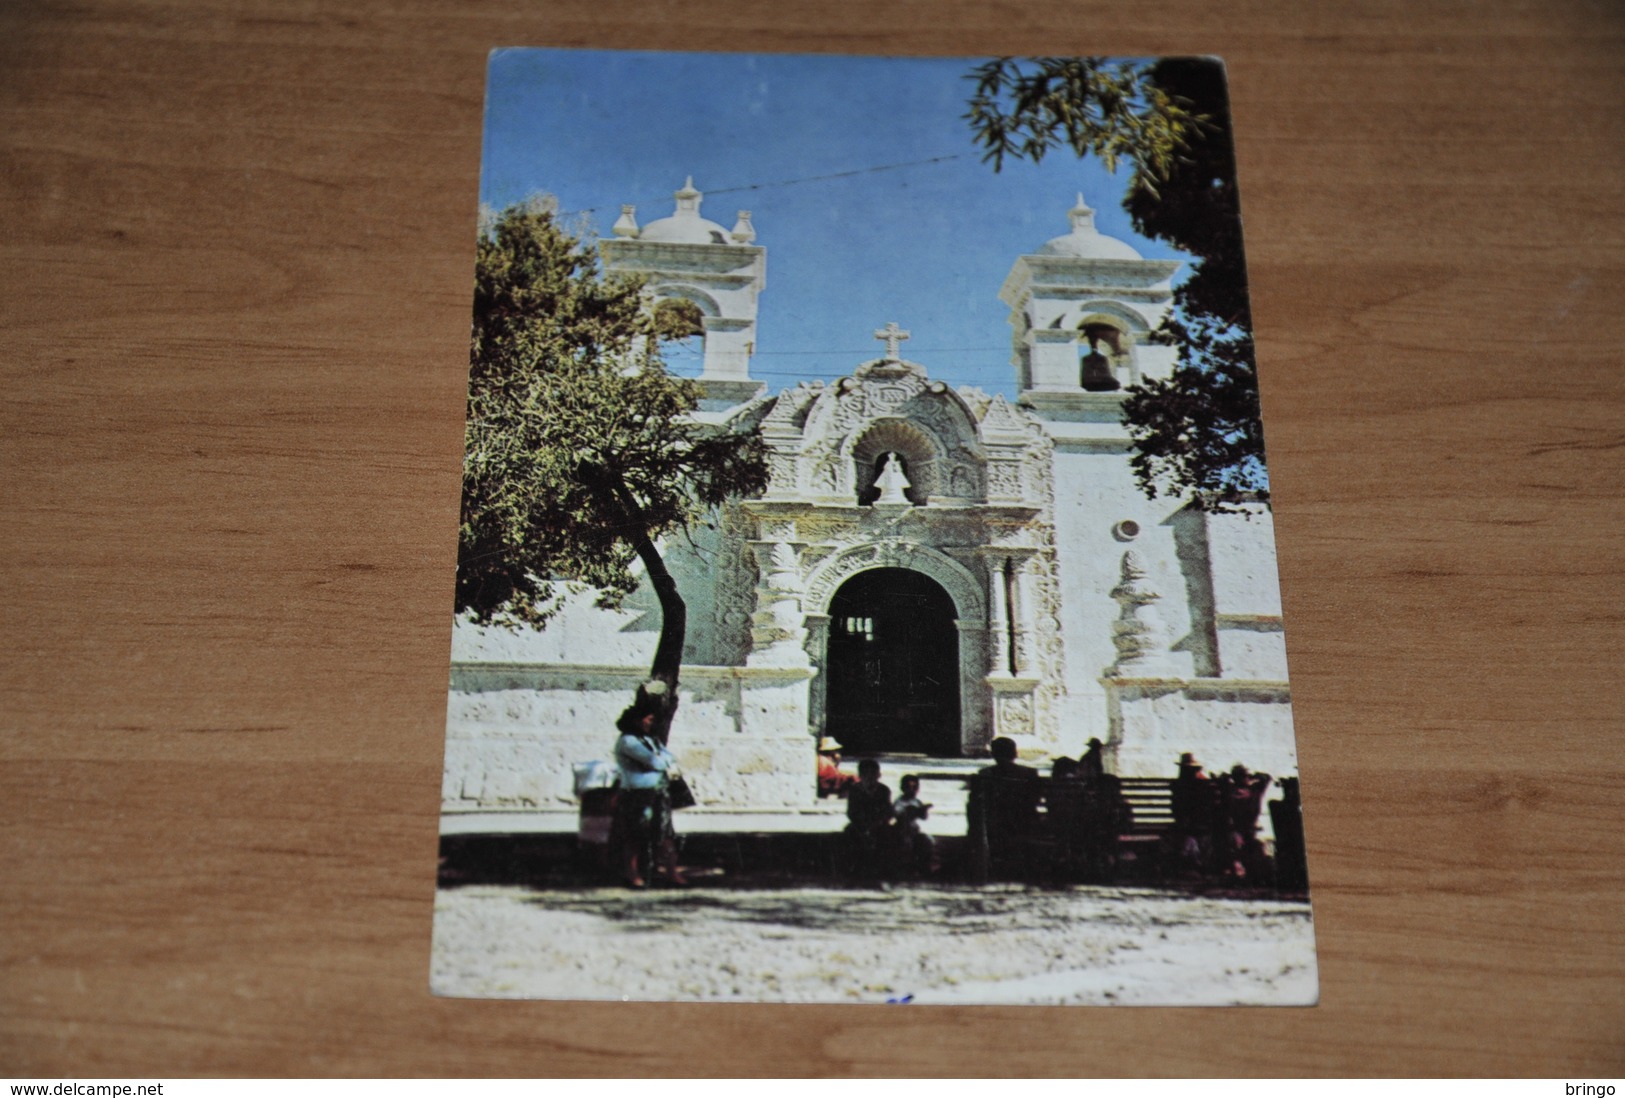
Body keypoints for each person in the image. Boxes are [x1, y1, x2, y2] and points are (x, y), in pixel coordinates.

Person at [611, 691, 685, 888]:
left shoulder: (652, 740)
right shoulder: (628, 741)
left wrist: (662, 760)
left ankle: (672, 873)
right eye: (649, 719)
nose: (651, 723)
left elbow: (669, 758)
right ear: (638, 720)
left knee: (666, 835)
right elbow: (656, 762)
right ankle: (632, 874)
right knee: (635, 835)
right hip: (637, 794)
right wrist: (661, 760)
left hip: (658, 793)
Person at [967, 736, 1042, 879]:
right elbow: (1035, 799)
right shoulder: (1030, 774)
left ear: (993, 754)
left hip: (993, 823)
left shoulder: (985, 774)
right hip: (1024, 822)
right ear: (1015, 753)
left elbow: (975, 802)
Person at [844, 758, 893, 878]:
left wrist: (877, 823)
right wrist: (863, 826)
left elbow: (887, 811)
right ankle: (854, 867)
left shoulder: (884, 790)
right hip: (860, 824)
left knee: (887, 835)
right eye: (866, 774)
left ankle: (883, 868)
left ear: (878, 775)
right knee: (850, 833)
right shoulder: (855, 790)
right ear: (860, 775)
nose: (870, 777)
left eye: (873, 774)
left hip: (878, 823)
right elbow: (851, 812)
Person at [891, 774, 935, 876]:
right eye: (908, 787)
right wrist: (910, 812)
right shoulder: (900, 801)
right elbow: (897, 814)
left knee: (928, 841)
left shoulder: (917, 801)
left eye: (915, 787)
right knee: (906, 844)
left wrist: (924, 810)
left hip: (914, 830)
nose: (912, 790)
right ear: (902, 788)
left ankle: (924, 867)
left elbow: (924, 817)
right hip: (901, 830)